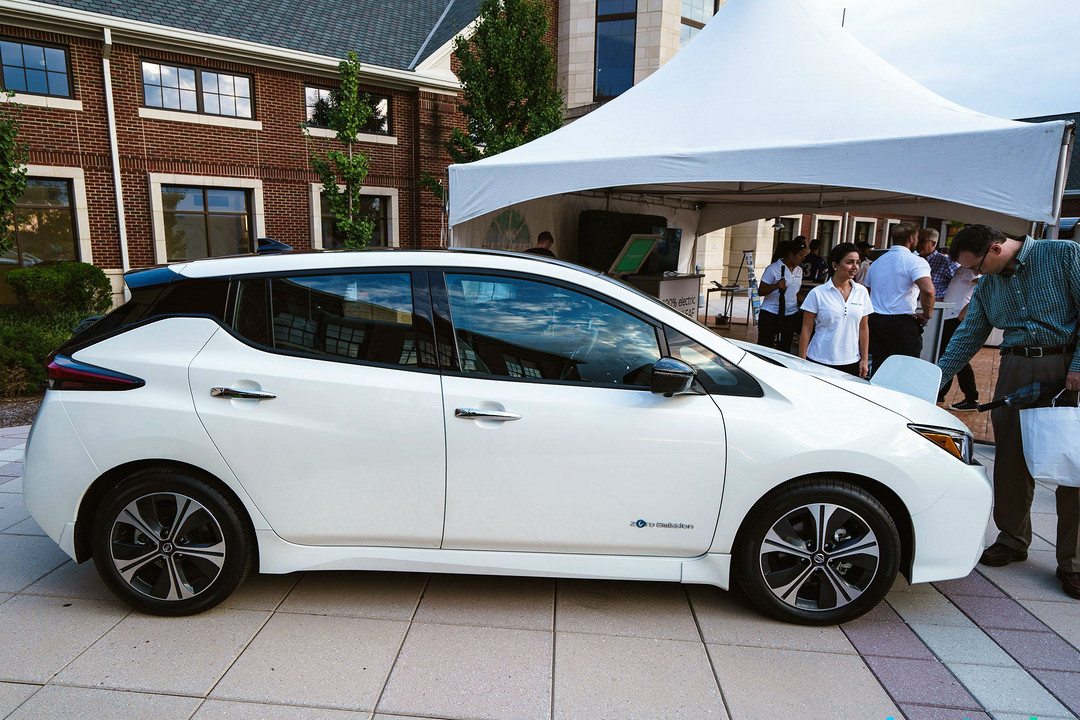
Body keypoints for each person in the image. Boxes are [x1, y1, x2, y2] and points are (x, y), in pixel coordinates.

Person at [937, 224, 1080, 600]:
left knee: (1074, 465)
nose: (977, 276)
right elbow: (970, 333)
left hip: (1068, 367)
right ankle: (1013, 539)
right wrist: (938, 376)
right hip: (1016, 369)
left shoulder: (1063, 254)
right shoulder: (988, 284)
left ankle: (1074, 563)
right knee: (1012, 460)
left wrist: (1079, 365)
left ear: (997, 249)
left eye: (979, 267)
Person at [863, 222, 935, 373]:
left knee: (880, 368)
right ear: (910, 238)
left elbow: (867, 291)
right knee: (904, 371)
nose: (917, 241)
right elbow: (928, 291)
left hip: (876, 321)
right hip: (901, 323)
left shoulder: (876, 263)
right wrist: (927, 315)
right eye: (916, 238)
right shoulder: (915, 261)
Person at [799, 242, 873, 377]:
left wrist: (864, 359)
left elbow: (863, 327)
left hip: (851, 361)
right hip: (818, 360)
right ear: (835, 265)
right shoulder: (817, 293)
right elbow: (806, 330)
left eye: (857, 262)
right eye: (850, 262)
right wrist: (802, 361)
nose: (855, 267)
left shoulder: (861, 292)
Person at [936, 266, 981, 410]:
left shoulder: (972, 270)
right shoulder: (963, 268)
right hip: (949, 315)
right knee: (946, 353)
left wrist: (967, 309)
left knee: (956, 355)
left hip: (957, 316)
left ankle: (971, 397)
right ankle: (941, 392)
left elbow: (983, 287)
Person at [756, 237, 807, 352]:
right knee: (765, 346)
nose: (803, 259)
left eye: (804, 256)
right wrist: (776, 286)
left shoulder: (799, 270)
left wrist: (808, 301)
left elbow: (795, 293)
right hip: (771, 313)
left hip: (790, 313)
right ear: (791, 255)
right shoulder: (773, 269)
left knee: (784, 347)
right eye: (800, 256)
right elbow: (760, 291)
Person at [916, 227, 959, 300]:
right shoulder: (914, 260)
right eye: (917, 240)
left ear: (933, 243)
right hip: (912, 305)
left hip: (935, 306)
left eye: (922, 241)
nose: (918, 243)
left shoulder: (946, 262)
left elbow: (961, 282)